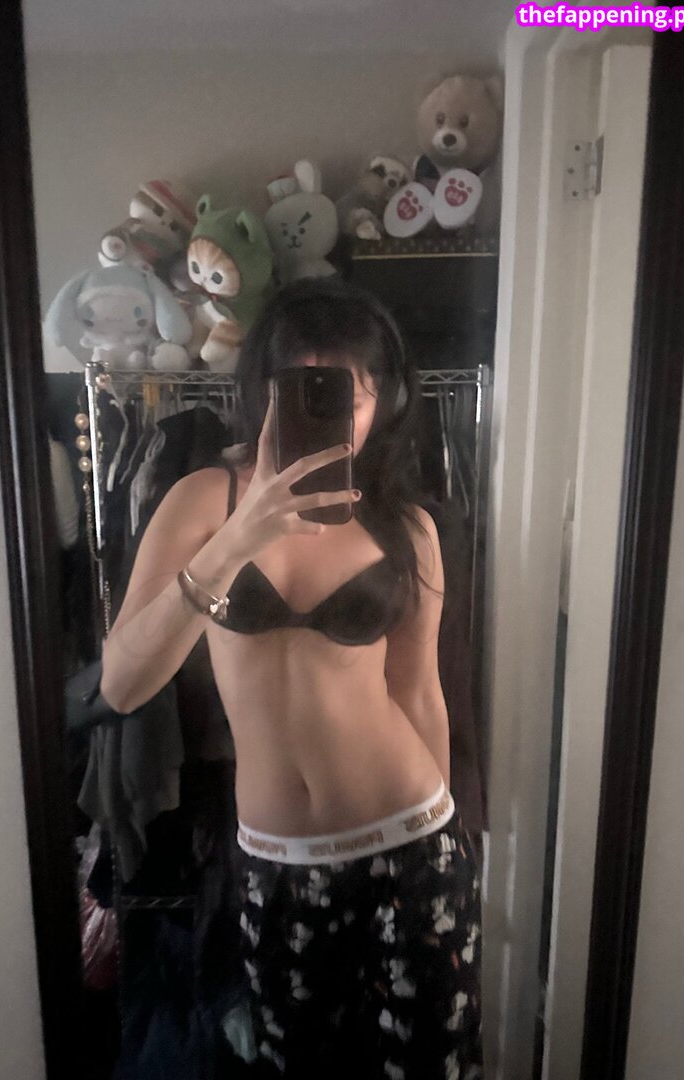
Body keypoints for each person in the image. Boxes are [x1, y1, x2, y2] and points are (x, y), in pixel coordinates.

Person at [101, 277, 483, 1079]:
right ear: (259, 393)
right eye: (297, 387)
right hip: (277, 867)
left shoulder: (407, 526)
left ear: (382, 403)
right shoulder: (201, 501)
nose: (326, 413)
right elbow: (123, 686)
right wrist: (236, 540)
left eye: (346, 393)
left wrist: (449, 846)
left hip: (412, 845)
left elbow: (420, 692)